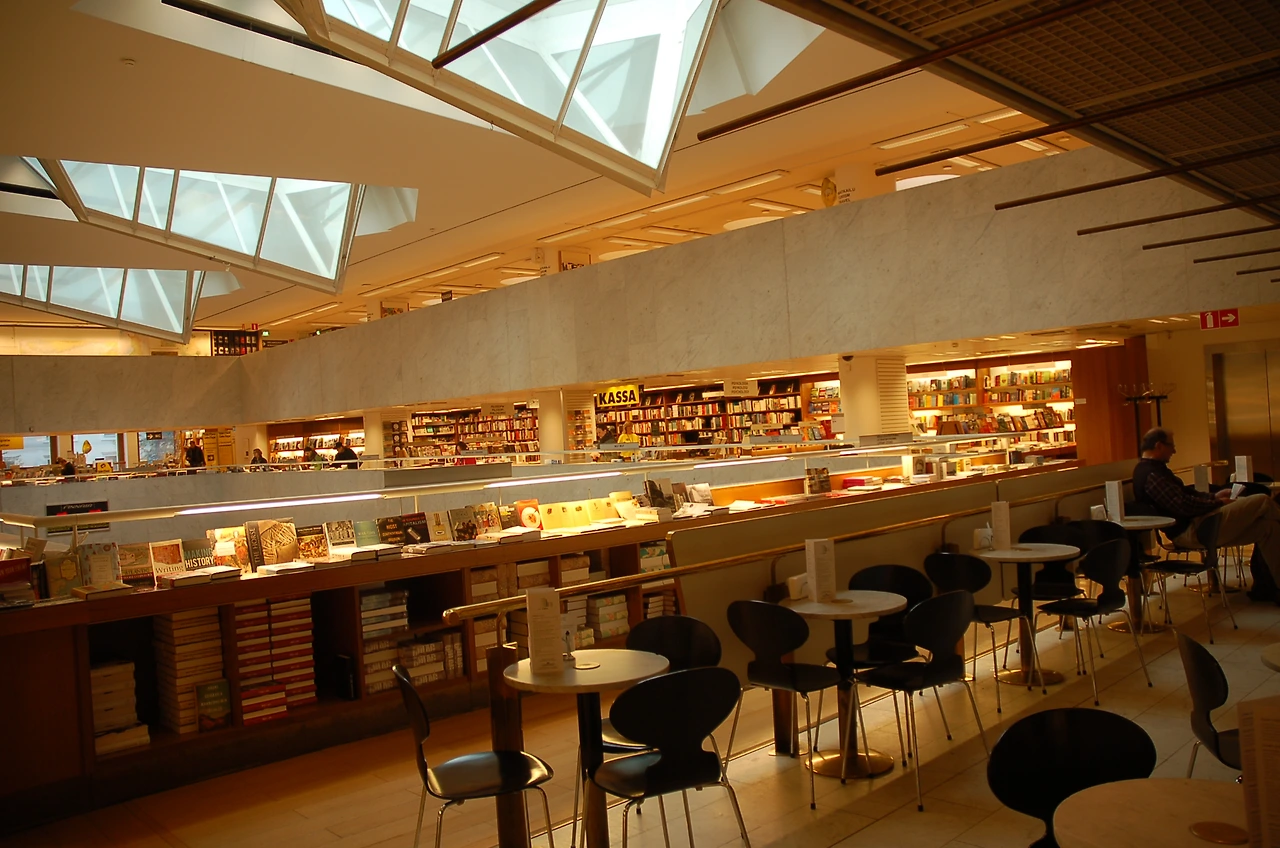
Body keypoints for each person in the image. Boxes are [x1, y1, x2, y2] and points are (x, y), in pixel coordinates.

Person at [1132, 427, 1280, 602]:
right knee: (1263, 500)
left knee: (1268, 528)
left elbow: (1186, 495)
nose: (1174, 450)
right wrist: (1217, 503)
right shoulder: (1151, 474)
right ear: (1159, 446)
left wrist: (1214, 496)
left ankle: (1270, 586)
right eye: (1171, 445)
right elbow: (1182, 505)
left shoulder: (1157, 470)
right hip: (1193, 530)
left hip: (1200, 523)